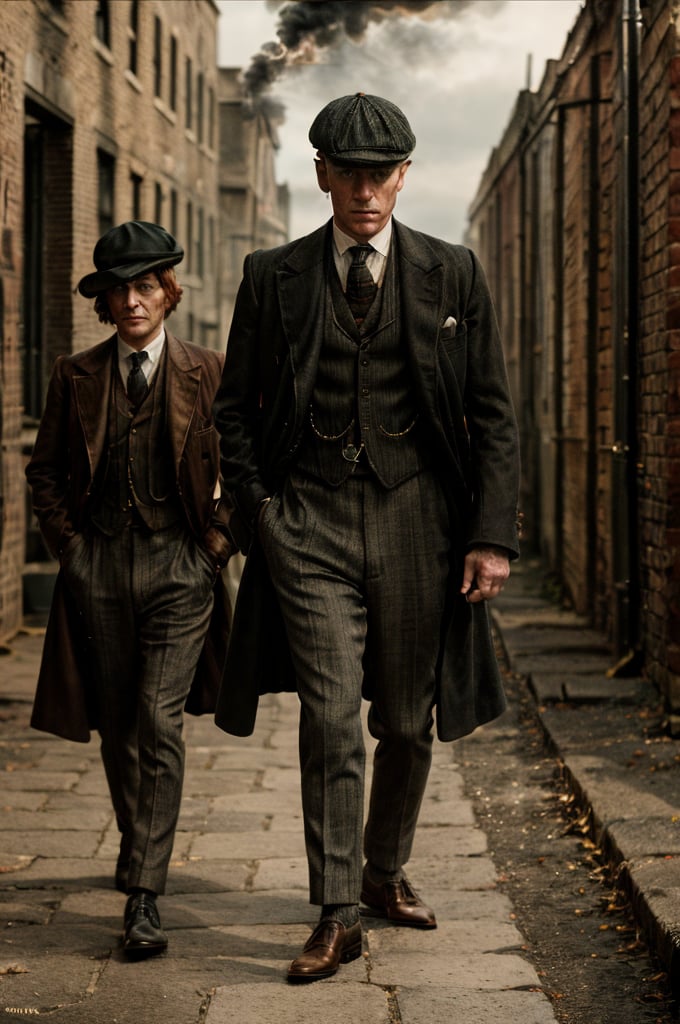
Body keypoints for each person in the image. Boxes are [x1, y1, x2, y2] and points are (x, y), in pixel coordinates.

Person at [212, 93, 520, 982]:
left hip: (420, 521)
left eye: (380, 175)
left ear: (404, 176)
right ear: (321, 176)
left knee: (405, 723)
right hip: (307, 524)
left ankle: (384, 874)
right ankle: (337, 912)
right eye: (346, 174)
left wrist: (490, 537)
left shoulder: (451, 272)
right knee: (329, 716)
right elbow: (235, 410)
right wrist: (265, 515)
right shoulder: (272, 274)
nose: (364, 192)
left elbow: (493, 415)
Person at [26, 221, 233, 959]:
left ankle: (145, 893)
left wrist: (213, 547)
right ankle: (137, 841)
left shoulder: (208, 371)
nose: (133, 301)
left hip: (181, 568)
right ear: (105, 303)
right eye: (119, 290)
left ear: (168, 294)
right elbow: (44, 474)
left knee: (158, 720)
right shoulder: (74, 375)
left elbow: (243, 466)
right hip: (101, 567)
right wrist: (73, 554)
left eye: (146, 286)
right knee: (117, 722)